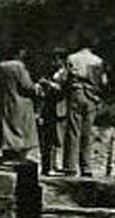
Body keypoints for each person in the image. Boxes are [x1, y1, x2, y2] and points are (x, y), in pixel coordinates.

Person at [63, 47, 106, 177]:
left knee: (73, 131)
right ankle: (86, 167)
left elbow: (66, 77)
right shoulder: (98, 60)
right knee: (87, 133)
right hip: (91, 96)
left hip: (76, 94)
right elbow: (103, 81)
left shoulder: (72, 58)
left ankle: (70, 167)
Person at [0, 51, 43, 164]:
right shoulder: (19, 66)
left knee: (8, 127)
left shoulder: (1, 66)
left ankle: (8, 154)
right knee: (22, 128)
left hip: (6, 100)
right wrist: (36, 87)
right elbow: (26, 85)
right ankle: (19, 155)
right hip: (21, 102)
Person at [38, 48, 69, 175]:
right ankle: (47, 166)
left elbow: (63, 91)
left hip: (59, 109)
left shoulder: (66, 74)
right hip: (49, 109)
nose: (53, 62)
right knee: (47, 139)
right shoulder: (51, 73)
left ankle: (53, 166)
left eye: (56, 59)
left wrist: (50, 85)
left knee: (56, 139)